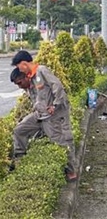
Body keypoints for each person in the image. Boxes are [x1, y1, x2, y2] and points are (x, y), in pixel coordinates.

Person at [11, 50, 78, 181]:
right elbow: (37, 97)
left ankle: (71, 172)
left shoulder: (41, 70)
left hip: (54, 116)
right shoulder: (31, 77)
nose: (19, 69)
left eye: (18, 66)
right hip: (40, 115)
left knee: (62, 141)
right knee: (19, 129)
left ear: (24, 64)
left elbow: (57, 86)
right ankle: (19, 158)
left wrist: (56, 105)